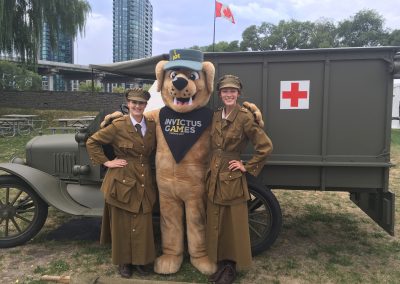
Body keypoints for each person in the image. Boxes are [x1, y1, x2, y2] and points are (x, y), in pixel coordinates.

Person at [206, 75, 273, 284]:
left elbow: (265, 146)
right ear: (219, 94)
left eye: (232, 91)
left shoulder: (244, 117)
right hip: (214, 174)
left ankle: (231, 266)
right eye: (225, 91)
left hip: (232, 176)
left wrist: (247, 166)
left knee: (233, 222)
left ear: (238, 93)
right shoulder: (216, 116)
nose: (228, 94)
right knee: (216, 219)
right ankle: (220, 262)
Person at [86, 88, 157, 278]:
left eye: (141, 103)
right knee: (122, 223)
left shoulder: (151, 125)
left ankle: (141, 261)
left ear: (145, 105)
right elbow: (92, 141)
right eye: (133, 103)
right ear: (128, 104)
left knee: (142, 221)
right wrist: (106, 162)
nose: (137, 106)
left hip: (143, 178)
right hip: (122, 179)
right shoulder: (118, 125)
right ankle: (124, 262)